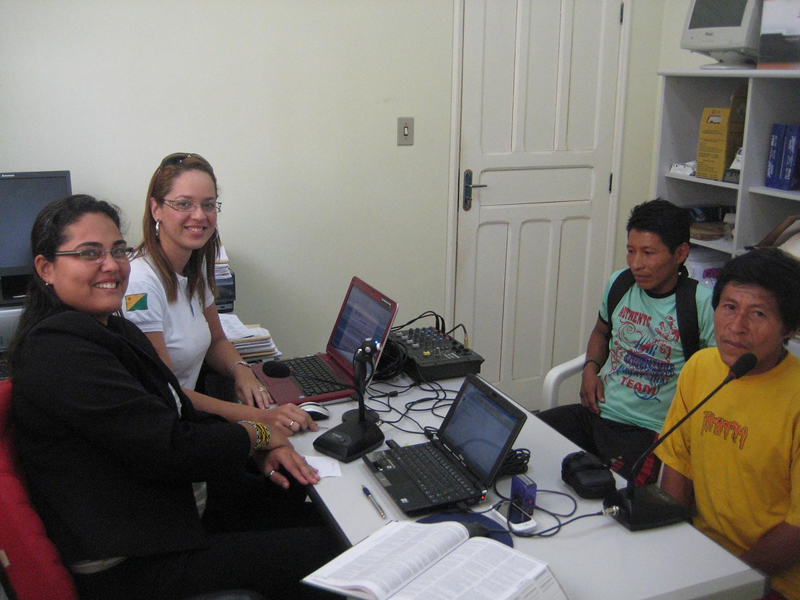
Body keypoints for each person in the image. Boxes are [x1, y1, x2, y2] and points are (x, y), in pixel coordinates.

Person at [8, 195, 341, 600]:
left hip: (169, 511)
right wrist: (258, 433)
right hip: (133, 561)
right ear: (46, 268)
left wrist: (258, 446)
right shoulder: (58, 352)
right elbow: (170, 447)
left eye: (118, 250)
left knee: (316, 508)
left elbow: (179, 413)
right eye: (89, 253)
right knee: (337, 553)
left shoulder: (111, 329)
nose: (111, 265)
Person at [122, 152, 314, 437]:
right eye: (184, 204)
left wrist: (242, 371)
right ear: (156, 209)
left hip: (188, 418)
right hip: (166, 430)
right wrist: (262, 417)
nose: (200, 215)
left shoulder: (194, 264)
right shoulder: (140, 283)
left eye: (208, 204)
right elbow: (167, 390)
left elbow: (217, 341)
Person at [537, 199, 715, 483]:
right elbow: (601, 331)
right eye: (631, 251)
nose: (636, 264)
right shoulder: (619, 283)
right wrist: (590, 369)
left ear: (680, 253)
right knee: (528, 441)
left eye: (648, 253)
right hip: (596, 413)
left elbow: (716, 376)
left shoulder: (701, 304)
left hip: (650, 431)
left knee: (608, 493)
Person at [657, 248, 800, 600]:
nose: (736, 327)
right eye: (730, 307)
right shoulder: (701, 367)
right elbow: (678, 466)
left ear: (790, 328)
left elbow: (797, 532)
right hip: (702, 554)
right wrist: (673, 548)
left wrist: (724, 582)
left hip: (773, 578)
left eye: (758, 313)